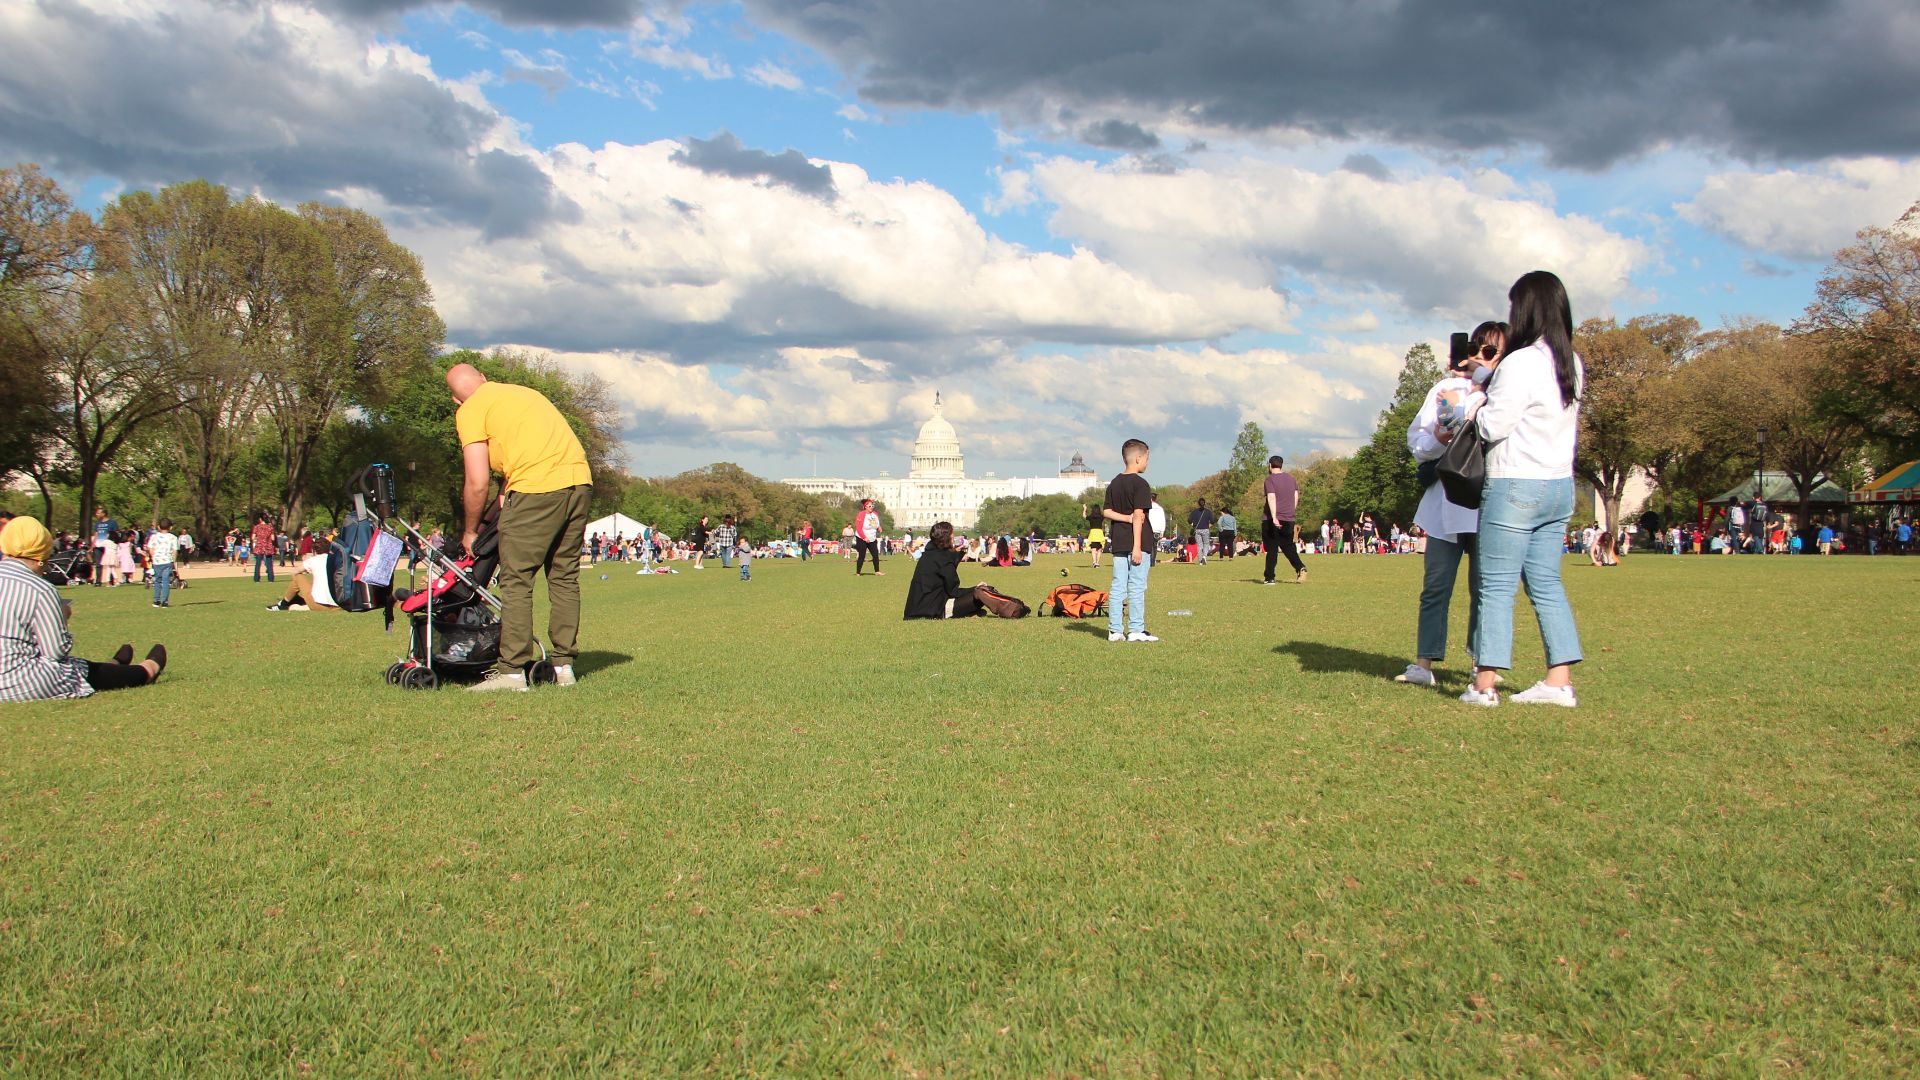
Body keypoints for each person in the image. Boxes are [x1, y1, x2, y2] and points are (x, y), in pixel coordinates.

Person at [1462, 270, 1584, 708]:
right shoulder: (1570, 361)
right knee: (1547, 584)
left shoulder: (1521, 361)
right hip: (1558, 485)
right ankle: (1558, 680)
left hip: (1516, 484)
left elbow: (1494, 425)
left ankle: (1485, 685)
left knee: (1495, 587)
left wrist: (1475, 403)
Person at [448, 362, 593, 692]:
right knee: (564, 577)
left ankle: (511, 671)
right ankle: (564, 667)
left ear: (457, 401)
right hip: (579, 483)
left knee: (516, 579)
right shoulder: (522, 394)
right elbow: (525, 455)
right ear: (485, 379)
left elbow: (476, 481)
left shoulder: (471, 410)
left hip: (537, 488)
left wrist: (470, 531)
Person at [1398, 320, 1503, 688]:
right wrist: (1442, 439)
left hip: (1489, 499)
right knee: (1436, 585)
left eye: (1492, 351)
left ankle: (1482, 663)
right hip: (1446, 500)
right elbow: (1418, 442)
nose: (1483, 357)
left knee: (1485, 588)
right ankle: (1424, 662)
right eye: (1479, 350)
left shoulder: (1508, 388)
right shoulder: (1445, 389)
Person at [1, 516, 169, 701]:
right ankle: (146, 670)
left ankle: (113, 665)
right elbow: (55, 651)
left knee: (74, 666)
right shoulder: (40, 589)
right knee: (71, 668)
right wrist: (62, 617)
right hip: (20, 682)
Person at [1102, 439, 1156, 642]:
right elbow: (1138, 517)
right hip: (1136, 543)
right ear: (1138, 458)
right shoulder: (1140, 484)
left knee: (1118, 586)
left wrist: (1124, 518)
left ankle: (1114, 630)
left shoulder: (1114, 482)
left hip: (1118, 542)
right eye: (1147, 459)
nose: (1147, 463)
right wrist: (1137, 547)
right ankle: (1135, 630)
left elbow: (1107, 511)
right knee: (1136, 586)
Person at [903, 521, 986, 619]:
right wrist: (975, 588)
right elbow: (953, 591)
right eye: (952, 534)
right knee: (984, 592)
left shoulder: (928, 554)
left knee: (979, 594)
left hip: (914, 608)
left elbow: (945, 561)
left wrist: (956, 555)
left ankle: (972, 611)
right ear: (947, 537)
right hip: (933, 609)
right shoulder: (943, 560)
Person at [1261, 456, 1306, 584]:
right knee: (1288, 546)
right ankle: (1300, 567)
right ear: (1281, 465)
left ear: (1270, 465)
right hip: (1288, 518)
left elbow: (1271, 497)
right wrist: (1291, 512)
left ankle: (1270, 577)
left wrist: (1274, 517)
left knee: (1272, 548)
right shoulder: (1292, 479)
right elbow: (1296, 496)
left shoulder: (1270, 480)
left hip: (1272, 519)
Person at [266, 551, 341, 612]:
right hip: (338, 606)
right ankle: (295, 600)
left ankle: (283, 604)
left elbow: (295, 572)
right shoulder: (336, 560)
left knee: (298, 577)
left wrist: (307, 570)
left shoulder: (313, 560)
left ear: (314, 551)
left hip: (318, 604)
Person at [146, 519, 180, 609]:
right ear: (171, 527)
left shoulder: (154, 537)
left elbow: (150, 548)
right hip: (167, 561)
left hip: (157, 562)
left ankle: (156, 601)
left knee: (157, 581)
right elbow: (175, 551)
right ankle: (165, 602)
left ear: (158, 527)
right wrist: (174, 561)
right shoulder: (173, 537)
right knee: (166, 581)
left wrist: (153, 557)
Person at [852, 498, 884, 576]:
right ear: (865, 507)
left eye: (872, 506)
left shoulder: (875, 514)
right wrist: (864, 537)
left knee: (875, 554)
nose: (871, 507)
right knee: (862, 555)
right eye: (869, 506)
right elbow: (859, 528)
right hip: (862, 537)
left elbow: (875, 523)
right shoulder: (861, 514)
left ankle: (877, 571)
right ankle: (858, 572)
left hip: (872, 537)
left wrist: (878, 527)